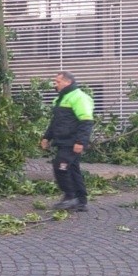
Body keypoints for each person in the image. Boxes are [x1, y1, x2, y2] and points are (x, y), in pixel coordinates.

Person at [40, 71, 94, 212]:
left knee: (61, 167)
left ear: (68, 82)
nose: (55, 84)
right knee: (72, 169)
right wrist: (46, 137)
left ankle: (70, 197)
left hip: (72, 142)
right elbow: (55, 122)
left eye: (58, 81)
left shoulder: (79, 97)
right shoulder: (61, 99)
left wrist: (80, 142)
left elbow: (86, 121)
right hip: (63, 141)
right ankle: (81, 201)